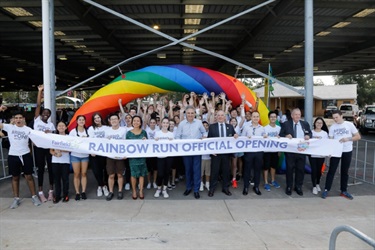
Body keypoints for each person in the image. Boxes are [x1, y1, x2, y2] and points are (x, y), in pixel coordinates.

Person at [0, 111, 42, 209]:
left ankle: (34, 196)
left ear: (23, 119)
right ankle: (16, 198)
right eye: (16, 118)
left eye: (20, 118)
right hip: (13, 155)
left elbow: (36, 140)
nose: (18, 119)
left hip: (25, 155)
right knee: (15, 177)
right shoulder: (9, 127)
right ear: (14, 119)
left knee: (29, 177)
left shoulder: (28, 129)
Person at [321, 110, 361, 200]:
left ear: (341, 116)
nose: (335, 119)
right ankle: (326, 189)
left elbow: (358, 137)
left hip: (347, 150)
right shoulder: (332, 127)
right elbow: (331, 141)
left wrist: (348, 139)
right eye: (334, 118)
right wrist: (330, 152)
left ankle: (344, 190)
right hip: (336, 152)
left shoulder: (349, 125)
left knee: (344, 171)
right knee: (332, 170)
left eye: (337, 117)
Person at [175, 105, 206, 199]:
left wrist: (203, 137)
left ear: (195, 114)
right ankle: (188, 187)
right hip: (186, 152)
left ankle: (196, 190)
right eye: (188, 113)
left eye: (192, 113)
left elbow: (204, 132)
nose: (190, 115)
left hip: (196, 150)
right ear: (185, 114)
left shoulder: (199, 122)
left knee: (196, 170)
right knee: (188, 170)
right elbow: (177, 137)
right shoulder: (181, 124)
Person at [279, 108, 312, 196]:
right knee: (289, 169)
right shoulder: (286, 124)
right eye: (296, 114)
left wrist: (308, 136)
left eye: (299, 114)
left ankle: (298, 186)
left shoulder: (305, 124)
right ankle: (289, 186)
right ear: (292, 115)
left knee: (300, 169)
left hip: (302, 151)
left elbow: (310, 133)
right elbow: (281, 135)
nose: (298, 116)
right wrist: (286, 135)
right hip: (290, 151)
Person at [207, 110, 238, 197]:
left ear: (225, 117)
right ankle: (212, 189)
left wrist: (236, 135)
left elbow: (234, 136)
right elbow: (209, 140)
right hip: (215, 154)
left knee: (226, 172)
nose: (220, 117)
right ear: (216, 117)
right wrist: (211, 151)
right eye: (218, 115)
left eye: (222, 115)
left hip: (226, 154)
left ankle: (225, 188)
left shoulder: (230, 126)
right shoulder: (212, 127)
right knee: (214, 172)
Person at [33, 85, 55, 202]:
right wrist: (40, 91)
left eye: (48, 113)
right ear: (41, 114)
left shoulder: (50, 125)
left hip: (48, 148)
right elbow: (37, 105)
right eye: (44, 112)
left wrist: (50, 132)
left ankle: (51, 191)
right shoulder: (37, 120)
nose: (46, 114)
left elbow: (53, 137)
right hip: (39, 148)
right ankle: (41, 192)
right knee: (40, 169)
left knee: (51, 169)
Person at [242, 111, 266, 196]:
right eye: (254, 116)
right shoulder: (246, 127)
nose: (255, 118)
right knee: (247, 170)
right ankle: (246, 186)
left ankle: (256, 186)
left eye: (257, 117)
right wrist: (246, 138)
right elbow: (242, 138)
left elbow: (266, 139)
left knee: (257, 170)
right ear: (251, 117)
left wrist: (265, 137)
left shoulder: (262, 128)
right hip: (249, 152)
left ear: (259, 118)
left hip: (259, 153)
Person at [104, 113, 127, 201]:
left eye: (115, 119)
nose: (114, 121)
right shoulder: (107, 131)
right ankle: (111, 192)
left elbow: (126, 143)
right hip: (110, 156)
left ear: (119, 120)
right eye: (112, 119)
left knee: (120, 175)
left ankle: (120, 191)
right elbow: (103, 143)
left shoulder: (123, 130)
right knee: (111, 175)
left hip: (120, 156)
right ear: (110, 121)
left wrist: (126, 154)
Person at [126, 115, 148, 200]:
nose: (136, 122)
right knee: (133, 174)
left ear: (140, 123)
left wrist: (145, 141)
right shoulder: (128, 133)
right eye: (134, 120)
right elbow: (125, 146)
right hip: (132, 158)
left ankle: (141, 190)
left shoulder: (144, 132)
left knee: (142, 174)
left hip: (142, 157)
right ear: (132, 122)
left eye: (138, 121)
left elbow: (147, 145)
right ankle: (134, 190)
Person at [88, 113, 109, 198]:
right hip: (94, 153)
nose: (97, 119)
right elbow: (90, 140)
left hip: (104, 152)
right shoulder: (91, 128)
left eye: (98, 117)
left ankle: (103, 185)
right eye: (95, 118)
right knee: (96, 171)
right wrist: (91, 151)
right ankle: (102, 186)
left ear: (101, 118)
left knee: (105, 170)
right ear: (93, 120)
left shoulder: (106, 128)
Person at [69, 115, 89, 201]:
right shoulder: (73, 132)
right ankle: (77, 192)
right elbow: (69, 143)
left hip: (85, 156)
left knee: (84, 173)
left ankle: (83, 191)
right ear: (77, 121)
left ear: (85, 121)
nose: (81, 121)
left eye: (83, 120)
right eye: (79, 120)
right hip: (75, 155)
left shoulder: (88, 132)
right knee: (76, 174)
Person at [154, 117, 174, 199]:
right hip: (160, 156)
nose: (165, 124)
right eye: (164, 123)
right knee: (160, 173)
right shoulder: (157, 133)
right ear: (161, 124)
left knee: (167, 173)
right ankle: (158, 188)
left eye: (167, 123)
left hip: (169, 156)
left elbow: (175, 145)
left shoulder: (171, 134)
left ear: (169, 125)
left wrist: (171, 141)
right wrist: (155, 140)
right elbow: (153, 144)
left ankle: (164, 189)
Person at [50, 121, 70, 203]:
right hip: (55, 161)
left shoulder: (69, 137)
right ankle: (57, 195)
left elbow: (70, 149)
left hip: (65, 161)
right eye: (59, 126)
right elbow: (50, 150)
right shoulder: (54, 137)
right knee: (56, 179)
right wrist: (54, 153)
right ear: (57, 128)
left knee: (65, 179)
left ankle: (65, 195)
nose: (61, 127)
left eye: (63, 126)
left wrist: (61, 150)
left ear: (66, 127)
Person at [309, 117, 329, 195]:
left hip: (321, 155)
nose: (319, 124)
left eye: (320, 123)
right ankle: (314, 186)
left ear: (322, 124)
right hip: (312, 154)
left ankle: (317, 184)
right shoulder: (311, 132)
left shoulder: (324, 133)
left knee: (319, 170)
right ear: (315, 124)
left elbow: (326, 143)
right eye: (317, 123)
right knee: (313, 170)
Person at [263, 111, 281, 191]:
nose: (273, 118)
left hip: (275, 151)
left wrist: (279, 150)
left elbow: (281, 141)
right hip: (267, 151)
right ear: (269, 118)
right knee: (266, 167)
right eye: (271, 117)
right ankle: (266, 182)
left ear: (276, 118)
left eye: (274, 117)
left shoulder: (279, 128)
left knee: (273, 166)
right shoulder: (265, 128)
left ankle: (273, 180)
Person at [200, 121, 211, 192]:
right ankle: (201, 183)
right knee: (201, 172)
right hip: (201, 157)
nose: (205, 126)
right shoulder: (198, 134)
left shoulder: (210, 134)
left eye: (206, 125)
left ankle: (207, 183)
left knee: (208, 171)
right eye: (203, 125)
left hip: (208, 156)